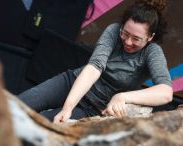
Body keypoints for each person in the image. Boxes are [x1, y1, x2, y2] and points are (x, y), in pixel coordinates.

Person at [19, 0, 173, 124]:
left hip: (94, 108)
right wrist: (68, 107)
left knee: (42, 124)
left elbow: (166, 93)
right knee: (19, 104)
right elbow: (94, 68)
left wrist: (123, 97)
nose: (128, 41)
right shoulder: (113, 31)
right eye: (125, 33)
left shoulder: (153, 52)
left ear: (150, 37)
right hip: (73, 83)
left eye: (136, 39)